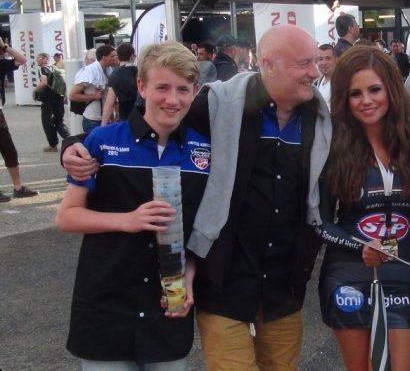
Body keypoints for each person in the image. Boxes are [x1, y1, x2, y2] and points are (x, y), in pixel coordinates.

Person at [62, 25, 332, 370]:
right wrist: (74, 148)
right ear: (268, 64)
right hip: (224, 282)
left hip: (284, 286)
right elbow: (155, 119)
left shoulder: (320, 118)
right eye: (304, 63)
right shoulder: (219, 105)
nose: (316, 71)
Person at [55, 41, 210, 370]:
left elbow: (203, 228)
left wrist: (189, 279)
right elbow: (66, 217)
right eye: (162, 87)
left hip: (168, 303)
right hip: (105, 303)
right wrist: (128, 220)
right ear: (141, 86)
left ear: (195, 92)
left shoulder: (205, 151)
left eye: (183, 89)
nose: (172, 99)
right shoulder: (102, 141)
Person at [315, 46, 410, 371]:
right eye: (355, 93)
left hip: (403, 271)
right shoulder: (333, 144)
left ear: (391, 91)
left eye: (374, 89)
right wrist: (358, 246)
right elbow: (319, 220)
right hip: (348, 273)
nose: (366, 100)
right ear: (343, 97)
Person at [0, 37, 39, 201]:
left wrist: (5, 46)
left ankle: (18, 187)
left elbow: (22, 59)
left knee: (9, 151)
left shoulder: (1, 64)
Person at [69, 45, 118, 132]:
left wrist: (113, 118)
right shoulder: (89, 71)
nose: (115, 58)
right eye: (112, 56)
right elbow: (72, 95)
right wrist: (94, 96)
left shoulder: (109, 70)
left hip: (105, 119)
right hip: (92, 121)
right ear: (104, 58)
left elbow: (108, 98)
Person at [34, 52, 70, 152]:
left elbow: (43, 83)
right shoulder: (54, 68)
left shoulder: (43, 69)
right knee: (59, 120)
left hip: (48, 98)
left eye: (39, 57)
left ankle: (52, 145)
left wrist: (35, 91)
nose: (37, 59)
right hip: (59, 96)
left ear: (45, 59)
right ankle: (70, 139)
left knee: (47, 121)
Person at [101, 43, 137, 125]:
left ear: (118, 57)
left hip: (125, 117)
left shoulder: (114, 75)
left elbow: (109, 104)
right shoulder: (140, 72)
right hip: (142, 117)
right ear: (132, 56)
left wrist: (102, 126)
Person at [314, 44, 337, 110]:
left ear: (336, 59)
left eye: (328, 58)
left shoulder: (342, 82)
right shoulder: (316, 83)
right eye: (320, 59)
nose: (324, 63)